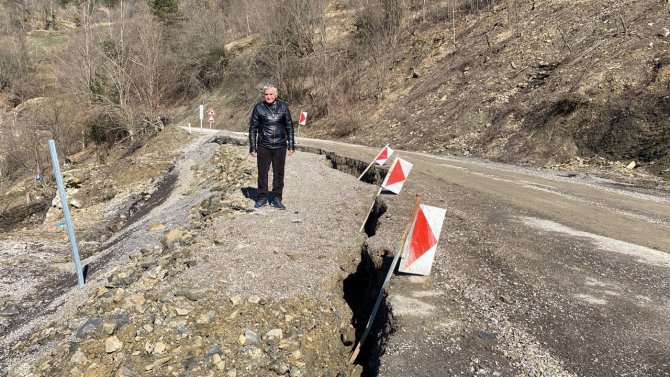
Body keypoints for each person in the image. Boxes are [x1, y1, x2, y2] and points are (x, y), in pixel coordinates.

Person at [248, 84, 295, 210]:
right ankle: (262, 197)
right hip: (264, 145)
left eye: (271, 94)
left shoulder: (283, 107)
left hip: (280, 145)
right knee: (262, 173)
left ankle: (277, 198)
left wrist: (291, 145)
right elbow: (253, 128)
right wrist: (253, 147)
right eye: (266, 94)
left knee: (279, 173)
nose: (268, 96)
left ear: (276, 95)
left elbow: (289, 127)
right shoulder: (259, 108)